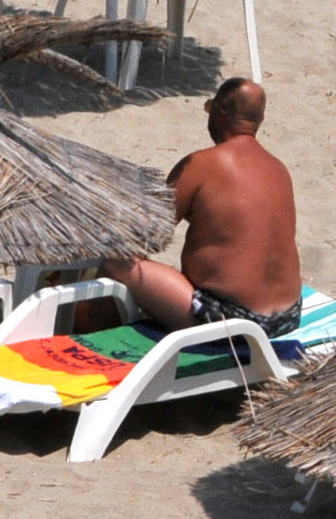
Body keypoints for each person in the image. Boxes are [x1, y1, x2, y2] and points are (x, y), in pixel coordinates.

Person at [99, 79, 304, 337]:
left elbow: (146, 235)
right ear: (259, 121)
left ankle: (96, 344)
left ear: (220, 112)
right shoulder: (279, 170)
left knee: (117, 264)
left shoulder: (200, 164)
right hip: (287, 317)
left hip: (226, 319)